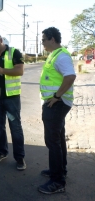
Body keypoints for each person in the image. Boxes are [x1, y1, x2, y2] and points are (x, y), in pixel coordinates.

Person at [38, 27, 76, 194]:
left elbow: (70, 76)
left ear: (52, 39)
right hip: (55, 103)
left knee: (52, 141)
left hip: (56, 104)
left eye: (44, 39)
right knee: (58, 139)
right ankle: (60, 170)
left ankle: (58, 181)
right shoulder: (54, 55)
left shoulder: (60, 56)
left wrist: (57, 96)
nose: (42, 42)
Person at [0, 32, 26, 170]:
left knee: (15, 128)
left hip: (11, 97)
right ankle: (2, 152)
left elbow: (20, 71)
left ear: (1, 40)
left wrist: (2, 70)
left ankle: (20, 157)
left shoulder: (14, 52)